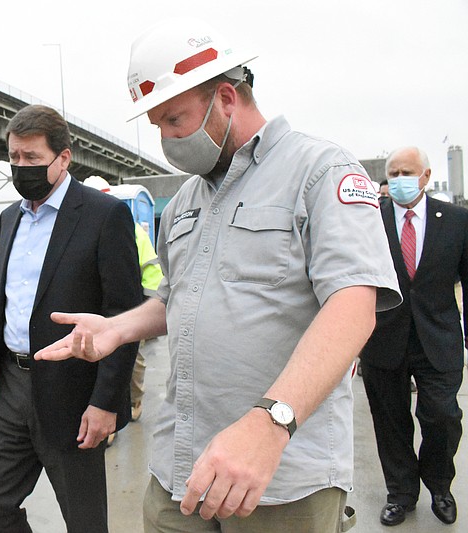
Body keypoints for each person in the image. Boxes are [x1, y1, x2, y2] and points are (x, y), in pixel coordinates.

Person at [36, 18, 401, 532]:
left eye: (174, 119)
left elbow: (354, 304)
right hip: (180, 466)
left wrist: (270, 424)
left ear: (227, 98)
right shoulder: (188, 198)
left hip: (279, 477)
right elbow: (177, 296)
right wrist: (118, 328)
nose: (166, 138)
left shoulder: (320, 171)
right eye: (157, 125)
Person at [0, 104, 141, 533]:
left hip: (72, 391)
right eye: (14, 158)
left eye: (32, 159)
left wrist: (105, 402)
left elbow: (124, 314)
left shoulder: (103, 216)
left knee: (84, 521)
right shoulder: (9, 218)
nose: (21, 167)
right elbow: (6, 303)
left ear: (63, 158)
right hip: (11, 386)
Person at [360, 146, 468, 526]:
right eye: (393, 173)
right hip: (383, 339)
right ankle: (401, 493)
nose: (400, 180)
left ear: (425, 175)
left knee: (442, 416)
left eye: (408, 172)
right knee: (390, 421)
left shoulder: (457, 220)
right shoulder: (370, 219)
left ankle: (439, 484)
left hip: (438, 339)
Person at [83, 175, 164, 425]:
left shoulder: (131, 229)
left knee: (133, 357)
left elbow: (151, 269)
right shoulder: (78, 231)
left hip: (130, 308)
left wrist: (144, 310)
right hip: (95, 310)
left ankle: (134, 399)